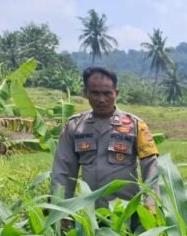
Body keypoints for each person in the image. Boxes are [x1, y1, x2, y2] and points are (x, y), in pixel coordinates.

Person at [50, 67, 159, 227]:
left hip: (127, 213)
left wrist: (151, 203)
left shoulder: (135, 126)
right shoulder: (75, 126)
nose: (101, 99)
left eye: (107, 93)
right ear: (86, 92)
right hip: (90, 215)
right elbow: (63, 171)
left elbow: (151, 167)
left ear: (116, 93)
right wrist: (60, 208)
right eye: (95, 93)